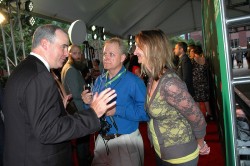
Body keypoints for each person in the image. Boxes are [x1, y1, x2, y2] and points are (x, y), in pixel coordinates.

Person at [3, 24, 117, 166]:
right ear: (45, 44)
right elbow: (48, 130)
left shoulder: (23, 69)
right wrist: (93, 113)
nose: (66, 53)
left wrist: (57, 108)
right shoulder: (40, 76)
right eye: (63, 47)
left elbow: (29, 119)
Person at [134, 29, 210, 166]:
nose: (134, 52)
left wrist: (200, 144)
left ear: (153, 49)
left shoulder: (170, 84)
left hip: (180, 156)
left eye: (138, 47)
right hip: (162, 152)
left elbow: (197, 117)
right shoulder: (152, 78)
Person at [82, 37, 149, 166]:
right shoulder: (99, 80)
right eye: (105, 54)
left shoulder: (134, 82)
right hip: (102, 139)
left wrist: (117, 110)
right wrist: (87, 102)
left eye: (111, 54)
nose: (106, 57)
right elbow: (92, 110)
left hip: (125, 141)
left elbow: (146, 113)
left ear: (123, 58)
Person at [61, 44, 91, 166]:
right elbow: (75, 93)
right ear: (69, 54)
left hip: (77, 107)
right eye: (75, 53)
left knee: (81, 140)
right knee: (82, 141)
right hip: (78, 108)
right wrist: (88, 94)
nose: (78, 56)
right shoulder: (71, 70)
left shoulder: (69, 67)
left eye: (79, 53)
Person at [192, 45, 213, 120]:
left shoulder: (193, 60)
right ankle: (210, 115)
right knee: (206, 100)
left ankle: (200, 116)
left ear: (194, 52)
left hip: (196, 83)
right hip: (204, 82)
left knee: (197, 100)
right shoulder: (205, 59)